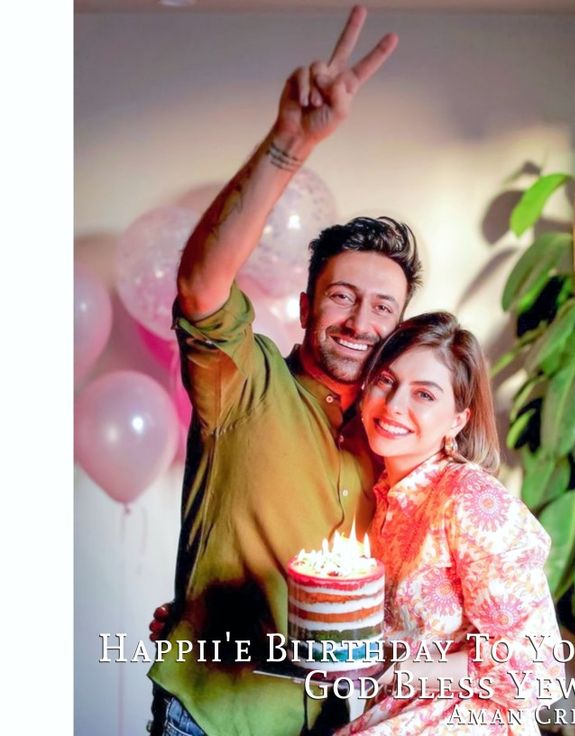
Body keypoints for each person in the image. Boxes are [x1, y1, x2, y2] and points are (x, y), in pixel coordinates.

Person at [147, 7, 419, 736]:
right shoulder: (244, 382)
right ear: (304, 305)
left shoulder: (393, 438)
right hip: (212, 716)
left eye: (381, 308)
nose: (361, 322)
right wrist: (289, 144)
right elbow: (203, 287)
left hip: (329, 723)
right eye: (342, 296)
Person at [337, 312, 565, 735]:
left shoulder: (471, 499)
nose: (395, 405)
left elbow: (535, 668)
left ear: (458, 419)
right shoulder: (385, 496)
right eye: (387, 381)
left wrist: (396, 668)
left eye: (424, 394)